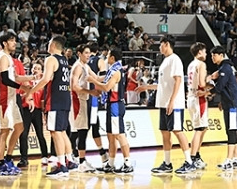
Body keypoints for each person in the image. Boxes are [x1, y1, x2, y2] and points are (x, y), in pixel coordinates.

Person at [137, 35, 197, 174]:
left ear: (166, 44)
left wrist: (172, 101)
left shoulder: (175, 59)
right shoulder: (165, 61)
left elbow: (178, 81)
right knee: (164, 132)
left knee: (177, 131)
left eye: (160, 44)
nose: (159, 47)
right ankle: (167, 163)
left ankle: (189, 162)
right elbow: (163, 85)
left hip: (174, 104)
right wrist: (147, 87)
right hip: (163, 103)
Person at [26, 35, 74, 176]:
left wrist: (31, 92)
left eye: (49, 42)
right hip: (65, 98)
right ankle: (69, 160)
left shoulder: (51, 59)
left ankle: (61, 165)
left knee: (55, 132)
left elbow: (46, 79)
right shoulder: (64, 60)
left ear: (53, 44)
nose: (47, 44)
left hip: (55, 100)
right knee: (63, 131)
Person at [87, 47, 134, 173]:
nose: (106, 58)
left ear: (112, 57)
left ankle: (128, 162)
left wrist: (93, 82)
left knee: (119, 135)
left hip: (116, 105)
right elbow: (99, 78)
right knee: (111, 136)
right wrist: (88, 71)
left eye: (108, 55)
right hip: (110, 105)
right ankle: (111, 164)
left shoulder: (116, 72)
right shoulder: (112, 71)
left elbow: (107, 87)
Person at [0, 31, 33, 176]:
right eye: (11, 41)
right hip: (3, 99)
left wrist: (33, 76)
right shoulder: (2, 57)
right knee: (4, 130)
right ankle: (0, 163)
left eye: (15, 40)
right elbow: (5, 80)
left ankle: (9, 158)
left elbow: (15, 77)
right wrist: (22, 88)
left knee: (20, 127)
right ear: (4, 43)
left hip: (10, 98)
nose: (14, 43)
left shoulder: (9, 58)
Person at [208, 46, 237, 170]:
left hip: (232, 105)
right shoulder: (224, 68)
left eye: (214, 55)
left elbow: (220, 86)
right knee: (231, 130)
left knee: (231, 131)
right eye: (212, 55)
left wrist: (207, 92)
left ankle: (228, 160)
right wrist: (222, 101)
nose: (212, 57)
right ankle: (236, 159)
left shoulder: (225, 68)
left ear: (221, 55)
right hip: (230, 103)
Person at [70, 43, 95, 173]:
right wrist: (91, 92)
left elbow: (96, 78)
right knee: (81, 131)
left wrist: (112, 74)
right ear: (79, 54)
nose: (88, 55)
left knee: (82, 131)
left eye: (89, 52)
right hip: (77, 101)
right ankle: (80, 161)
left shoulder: (86, 66)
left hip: (84, 100)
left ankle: (77, 158)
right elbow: (74, 86)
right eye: (86, 52)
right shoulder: (78, 67)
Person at [19, 61, 49, 167]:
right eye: (34, 68)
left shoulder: (43, 84)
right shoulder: (26, 82)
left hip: (36, 111)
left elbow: (43, 101)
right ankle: (24, 158)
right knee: (23, 134)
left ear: (41, 71)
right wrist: (27, 95)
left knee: (40, 134)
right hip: (26, 110)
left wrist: (44, 112)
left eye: (38, 68)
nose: (35, 69)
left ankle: (45, 156)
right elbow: (20, 96)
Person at [186, 42, 209, 169]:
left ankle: (197, 155)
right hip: (198, 98)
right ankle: (193, 158)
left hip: (191, 96)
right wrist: (210, 83)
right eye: (205, 52)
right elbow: (201, 83)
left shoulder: (191, 64)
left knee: (203, 128)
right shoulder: (201, 64)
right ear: (199, 52)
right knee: (199, 129)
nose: (206, 54)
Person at [86, 42, 109, 164]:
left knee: (83, 128)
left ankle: (75, 154)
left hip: (83, 96)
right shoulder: (99, 61)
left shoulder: (83, 62)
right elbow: (104, 77)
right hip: (93, 98)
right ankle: (101, 153)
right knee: (93, 126)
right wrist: (96, 81)